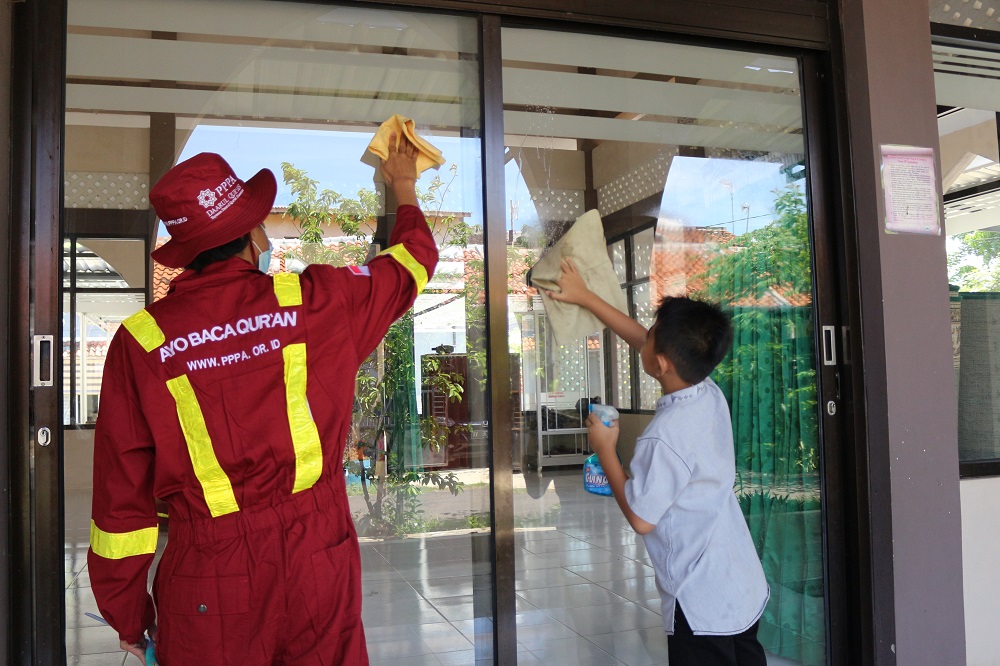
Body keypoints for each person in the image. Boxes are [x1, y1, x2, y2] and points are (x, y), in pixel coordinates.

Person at [87, 136, 436, 665]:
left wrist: (129, 613)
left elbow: (121, 505)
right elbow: (412, 263)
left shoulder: (142, 342)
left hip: (207, 579)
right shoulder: (317, 304)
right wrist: (403, 185)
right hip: (317, 554)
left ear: (187, 251)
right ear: (251, 233)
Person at [545, 258, 769, 666]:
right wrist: (588, 298)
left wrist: (606, 449)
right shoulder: (706, 390)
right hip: (739, 580)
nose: (642, 340)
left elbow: (642, 518)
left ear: (662, 362)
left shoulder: (663, 436)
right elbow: (644, 342)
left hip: (700, 599)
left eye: (650, 337)